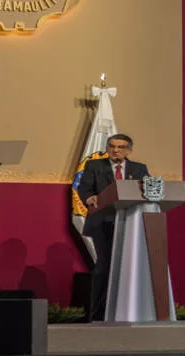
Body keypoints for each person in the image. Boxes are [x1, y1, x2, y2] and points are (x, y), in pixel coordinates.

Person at [77, 133, 150, 321]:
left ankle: (129, 311)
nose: (115, 150)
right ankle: (98, 315)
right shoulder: (94, 166)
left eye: (120, 147)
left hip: (131, 223)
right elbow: (84, 188)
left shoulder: (139, 168)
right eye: (112, 146)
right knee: (105, 266)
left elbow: (148, 191)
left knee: (130, 267)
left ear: (129, 150)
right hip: (103, 223)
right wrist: (89, 198)